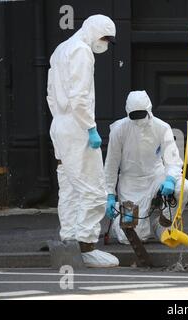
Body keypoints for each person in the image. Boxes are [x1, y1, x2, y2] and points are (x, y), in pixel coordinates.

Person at [47, 14, 119, 268]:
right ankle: (86, 246)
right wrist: (90, 127)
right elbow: (79, 96)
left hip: (60, 124)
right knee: (93, 188)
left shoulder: (61, 49)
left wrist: (61, 120)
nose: (105, 44)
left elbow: (50, 93)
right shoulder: (81, 51)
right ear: (92, 31)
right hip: (77, 125)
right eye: (104, 38)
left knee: (68, 185)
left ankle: (69, 239)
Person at [104, 91, 188, 244]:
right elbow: (111, 164)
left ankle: (163, 223)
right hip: (130, 183)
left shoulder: (162, 127)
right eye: (134, 115)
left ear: (149, 109)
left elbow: (173, 160)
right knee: (132, 237)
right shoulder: (119, 130)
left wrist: (170, 179)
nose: (138, 119)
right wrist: (110, 194)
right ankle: (118, 225)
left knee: (184, 187)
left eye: (141, 114)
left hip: (156, 177)